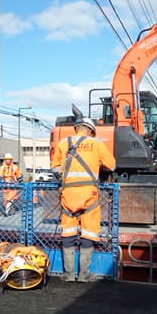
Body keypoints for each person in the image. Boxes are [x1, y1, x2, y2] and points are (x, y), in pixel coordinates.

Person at [51, 117, 116, 282]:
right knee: (89, 232)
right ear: (90, 131)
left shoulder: (63, 143)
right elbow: (112, 165)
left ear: (77, 129)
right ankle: (84, 275)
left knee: (68, 232)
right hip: (89, 195)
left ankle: (68, 274)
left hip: (68, 195)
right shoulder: (97, 143)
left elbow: (55, 168)